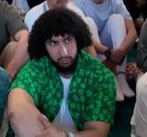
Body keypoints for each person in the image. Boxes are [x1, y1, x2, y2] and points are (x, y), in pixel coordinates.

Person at [7, 8, 115, 137]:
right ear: (44, 46)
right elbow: (17, 109)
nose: (63, 52)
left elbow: (98, 131)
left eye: (68, 40)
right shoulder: (38, 67)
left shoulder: (100, 75)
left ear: (78, 39)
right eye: (53, 43)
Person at [71, 0, 137, 101]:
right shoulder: (79, 0)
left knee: (117, 19)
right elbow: (81, 34)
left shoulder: (116, 1)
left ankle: (121, 76)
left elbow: (133, 32)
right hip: (90, 48)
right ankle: (109, 77)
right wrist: (107, 52)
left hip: (112, 51)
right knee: (87, 21)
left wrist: (119, 52)